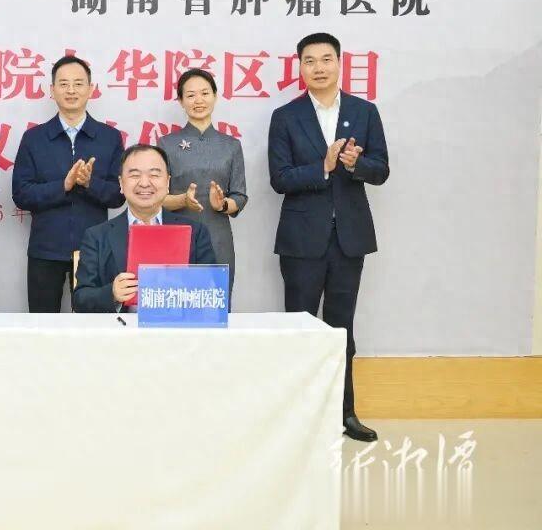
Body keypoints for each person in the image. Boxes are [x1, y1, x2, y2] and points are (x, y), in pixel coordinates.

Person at [268, 32, 390, 443]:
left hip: (349, 239)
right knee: (300, 330)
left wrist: (355, 165)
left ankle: (344, 413)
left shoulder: (364, 111)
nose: (318, 67)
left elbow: (381, 169)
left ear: (339, 63)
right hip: (301, 239)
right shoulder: (285, 117)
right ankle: (298, 416)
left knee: (342, 330)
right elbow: (280, 178)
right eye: (309, 61)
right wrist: (323, 166)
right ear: (299, 67)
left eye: (326, 59)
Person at [12, 55, 125, 312]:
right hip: (45, 249)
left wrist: (89, 183)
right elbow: (21, 194)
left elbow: (118, 194)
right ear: (52, 90)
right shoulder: (34, 138)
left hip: (94, 250)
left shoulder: (109, 137)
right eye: (63, 84)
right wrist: (63, 186)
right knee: (42, 323)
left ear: (91, 89)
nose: (71, 90)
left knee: (93, 324)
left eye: (78, 83)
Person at [73, 144, 215, 312]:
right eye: (135, 175)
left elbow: (212, 293)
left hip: (178, 326)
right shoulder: (96, 236)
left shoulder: (196, 233)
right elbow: (80, 299)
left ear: (167, 182)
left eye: (154, 174)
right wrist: (111, 293)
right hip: (121, 327)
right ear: (121, 183)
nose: (145, 183)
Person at [159, 68, 247, 300]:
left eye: (205, 93)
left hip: (218, 237)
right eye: (190, 95)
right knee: (174, 306)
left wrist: (223, 204)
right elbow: (157, 198)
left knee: (216, 307)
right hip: (177, 236)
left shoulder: (231, 145)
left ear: (215, 96)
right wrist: (182, 200)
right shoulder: (167, 144)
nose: (198, 100)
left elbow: (240, 195)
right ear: (181, 101)